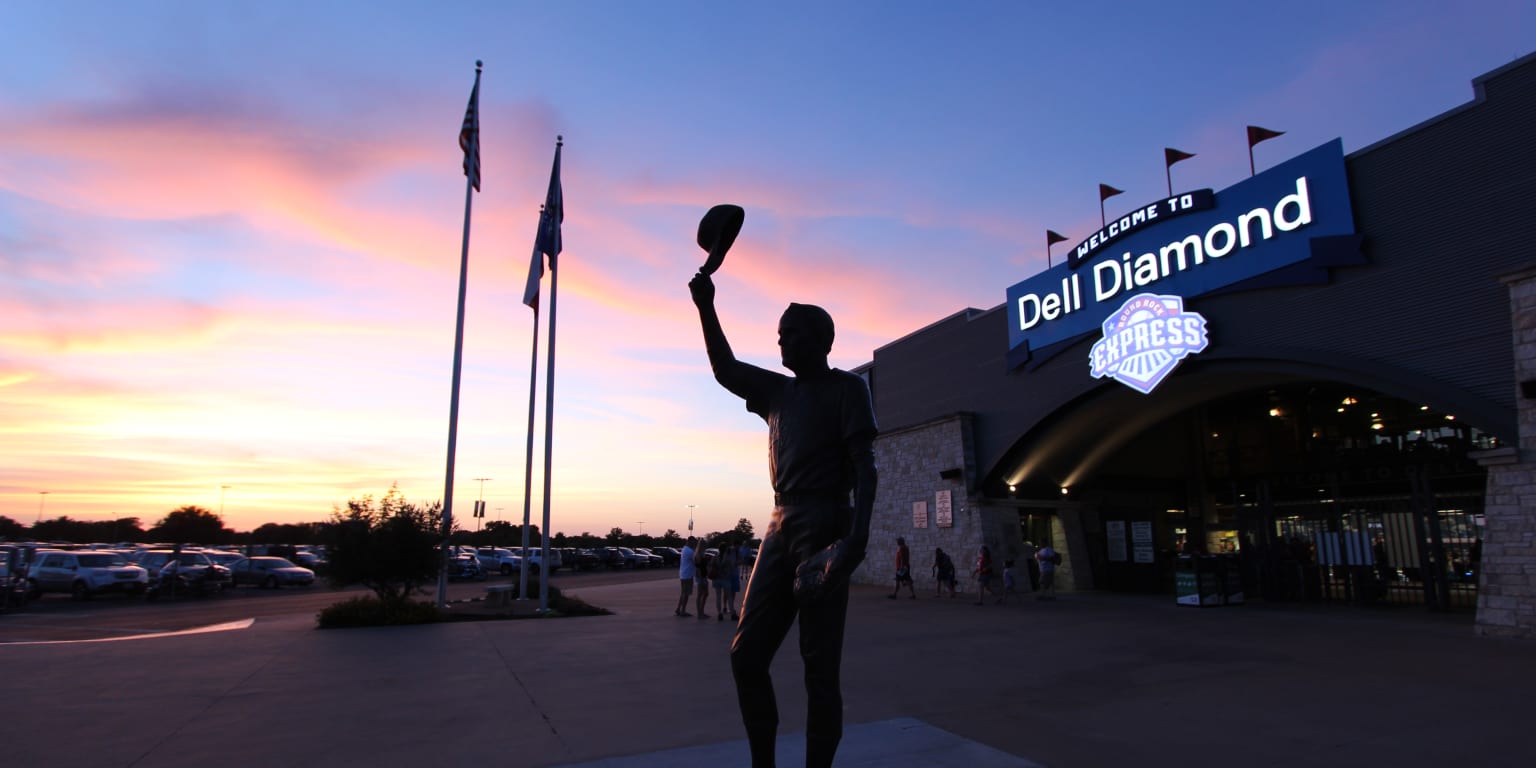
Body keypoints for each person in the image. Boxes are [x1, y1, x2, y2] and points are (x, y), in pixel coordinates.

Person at [690, 270, 878, 768]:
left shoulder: (847, 390)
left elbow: (865, 465)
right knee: (745, 655)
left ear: (822, 341)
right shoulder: (777, 393)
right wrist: (706, 306)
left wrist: (856, 538)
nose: (781, 340)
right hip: (779, 520)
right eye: (779, 333)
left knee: (819, 666)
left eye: (791, 333)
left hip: (826, 519)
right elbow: (725, 369)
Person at [714, 540, 738, 621]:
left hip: (717, 578)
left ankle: (719, 613)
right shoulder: (727, 558)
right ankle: (732, 613)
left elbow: (710, 565)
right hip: (725, 578)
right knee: (729, 596)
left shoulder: (715, 557)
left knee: (718, 596)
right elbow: (731, 567)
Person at [676, 536, 698, 616]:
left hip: (684, 574)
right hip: (688, 574)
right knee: (686, 593)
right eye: (694, 542)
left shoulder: (684, 549)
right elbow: (696, 561)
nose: (694, 544)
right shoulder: (689, 551)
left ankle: (679, 609)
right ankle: (683, 611)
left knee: (683, 593)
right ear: (690, 542)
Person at [694, 542, 712, 619]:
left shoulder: (702, 554)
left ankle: (702, 611)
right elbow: (698, 567)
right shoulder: (698, 555)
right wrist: (701, 578)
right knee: (700, 594)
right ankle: (699, 613)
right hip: (701, 577)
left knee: (705, 594)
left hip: (704, 576)